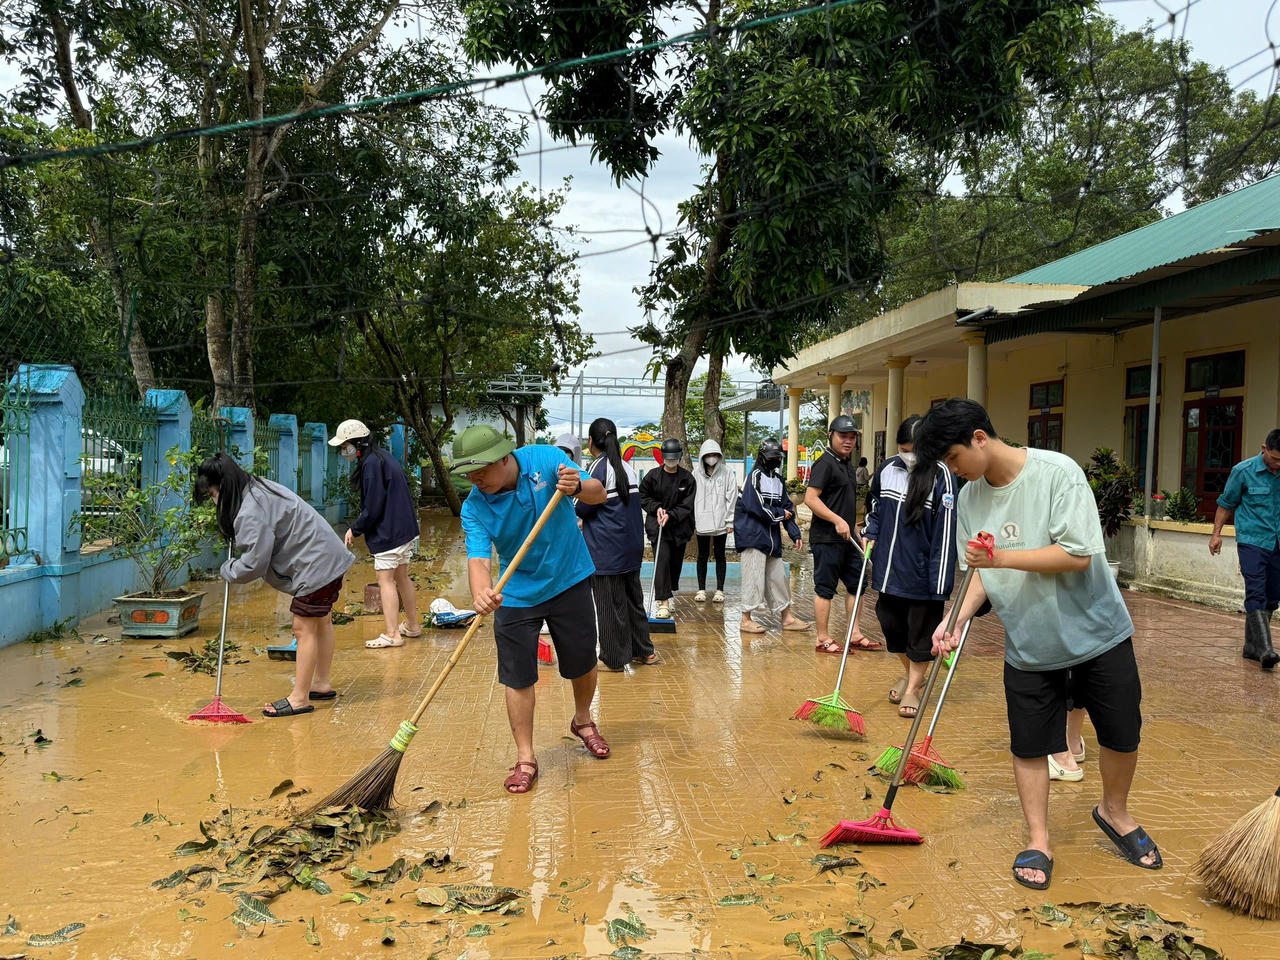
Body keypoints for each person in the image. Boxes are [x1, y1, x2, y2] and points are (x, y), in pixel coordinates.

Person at [918, 399, 1160, 892]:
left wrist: (1000, 558)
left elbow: (1076, 555)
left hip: (1098, 634)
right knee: (1029, 744)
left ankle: (1114, 812)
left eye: (954, 458)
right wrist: (955, 618)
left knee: (1121, 734)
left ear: (979, 438)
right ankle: (1038, 839)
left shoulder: (1057, 473)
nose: (953, 470)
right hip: (1029, 644)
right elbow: (979, 572)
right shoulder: (969, 499)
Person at [453, 424, 610, 795]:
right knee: (518, 676)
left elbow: (599, 494)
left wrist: (577, 486)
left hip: (569, 576)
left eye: (480, 470)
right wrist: (481, 594)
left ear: (504, 458)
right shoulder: (474, 506)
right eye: (468, 474)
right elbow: (478, 559)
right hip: (516, 592)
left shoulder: (545, 458)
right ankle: (525, 757)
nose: (475, 480)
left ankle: (583, 720)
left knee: (582, 661)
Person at [195, 453, 354, 718]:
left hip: (316, 565)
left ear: (224, 487)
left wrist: (228, 569)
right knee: (322, 620)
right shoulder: (257, 488)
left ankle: (300, 698)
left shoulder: (250, 510)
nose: (214, 501)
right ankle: (320, 683)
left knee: (303, 627)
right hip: (328, 556)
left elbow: (254, 564)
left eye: (213, 495)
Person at [863, 416, 957, 719]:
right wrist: (870, 531)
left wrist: (940, 582)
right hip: (889, 571)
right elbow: (875, 506)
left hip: (922, 576)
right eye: (904, 449)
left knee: (920, 635)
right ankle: (910, 674)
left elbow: (945, 531)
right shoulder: (887, 469)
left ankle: (913, 689)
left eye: (914, 450)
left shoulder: (942, 475)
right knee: (891, 626)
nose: (909, 456)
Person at [330, 420, 421, 650]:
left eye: (345, 446)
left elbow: (373, 505)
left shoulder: (371, 464)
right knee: (402, 577)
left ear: (357, 443)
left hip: (389, 531)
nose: (344, 451)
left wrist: (355, 528)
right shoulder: (382, 457)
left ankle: (393, 634)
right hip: (404, 528)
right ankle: (412, 626)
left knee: (385, 580)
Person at [578, 418, 657, 669]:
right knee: (634, 601)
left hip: (606, 549)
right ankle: (644, 651)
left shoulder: (597, 468)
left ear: (591, 441)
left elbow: (583, 507)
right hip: (631, 546)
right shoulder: (626, 467)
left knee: (609, 605)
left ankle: (613, 659)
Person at [805, 416, 878, 654]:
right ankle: (822, 638)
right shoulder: (825, 463)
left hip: (848, 538)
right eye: (843, 436)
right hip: (826, 538)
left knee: (858, 584)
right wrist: (836, 520)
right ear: (831, 436)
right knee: (825, 588)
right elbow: (810, 498)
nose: (848, 441)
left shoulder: (847, 464)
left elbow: (843, 503)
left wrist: (856, 530)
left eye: (852, 437)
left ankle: (854, 634)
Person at [1209, 428, 1280, 670]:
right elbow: (1226, 504)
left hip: (1277, 542)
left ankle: (1251, 647)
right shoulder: (1243, 471)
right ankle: (1266, 650)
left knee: (1273, 594)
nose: (1277, 465)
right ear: (1264, 449)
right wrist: (1216, 534)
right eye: (1274, 459)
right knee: (1256, 590)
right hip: (1252, 541)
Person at [734, 438, 811, 635]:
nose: (774, 460)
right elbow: (755, 506)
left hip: (772, 540)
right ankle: (745, 619)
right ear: (762, 457)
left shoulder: (779, 481)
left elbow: (788, 509)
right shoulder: (754, 477)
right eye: (771, 457)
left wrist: (794, 533)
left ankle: (787, 618)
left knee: (778, 578)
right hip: (753, 536)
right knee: (753, 577)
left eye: (777, 457)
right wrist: (779, 514)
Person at [639, 439, 696, 619]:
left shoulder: (687, 479)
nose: (671, 461)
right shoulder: (652, 476)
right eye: (668, 458)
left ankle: (668, 594)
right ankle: (662, 602)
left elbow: (687, 505)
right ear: (663, 457)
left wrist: (671, 514)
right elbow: (643, 496)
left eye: (674, 458)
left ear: (679, 457)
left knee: (674, 564)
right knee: (661, 561)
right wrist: (657, 508)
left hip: (679, 528)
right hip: (659, 527)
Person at [692, 438, 737, 603]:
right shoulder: (695, 474)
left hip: (721, 522)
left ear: (719, 455)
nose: (712, 458)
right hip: (701, 521)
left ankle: (720, 590)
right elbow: (691, 497)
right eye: (708, 454)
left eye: (714, 454)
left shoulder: (727, 472)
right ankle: (701, 589)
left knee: (720, 555)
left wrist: (730, 521)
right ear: (703, 456)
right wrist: (693, 520)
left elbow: (732, 497)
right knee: (702, 555)